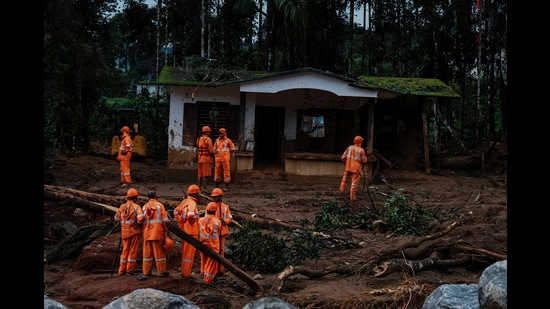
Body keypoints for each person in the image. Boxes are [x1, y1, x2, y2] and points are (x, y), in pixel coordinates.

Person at [113, 188, 144, 276]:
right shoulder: (136, 207)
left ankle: (121, 270)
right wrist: (137, 223)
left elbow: (116, 218)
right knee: (132, 251)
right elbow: (141, 218)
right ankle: (129, 270)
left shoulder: (122, 207)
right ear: (135, 198)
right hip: (134, 232)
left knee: (125, 251)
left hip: (125, 233)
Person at [140, 190, 170, 278]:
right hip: (157, 233)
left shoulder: (144, 207)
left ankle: (146, 272)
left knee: (147, 255)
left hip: (147, 233)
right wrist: (168, 232)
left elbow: (141, 220)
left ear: (148, 197)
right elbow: (165, 221)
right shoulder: (160, 206)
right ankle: (162, 271)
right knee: (159, 254)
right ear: (156, 196)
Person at [173, 184, 201, 278]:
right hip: (191, 232)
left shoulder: (184, 202)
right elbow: (190, 215)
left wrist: (181, 222)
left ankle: (185, 273)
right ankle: (187, 274)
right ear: (196, 194)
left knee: (185, 254)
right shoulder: (192, 203)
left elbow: (176, 212)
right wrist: (191, 222)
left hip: (185, 231)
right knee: (189, 255)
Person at [206, 188, 232, 276]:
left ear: (220, 197)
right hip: (214, 233)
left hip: (222, 232)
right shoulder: (210, 206)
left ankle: (220, 270)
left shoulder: (225, 207)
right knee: (214, 251)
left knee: (221, 251)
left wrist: (224, 221)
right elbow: (208, 218)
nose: (214, 199)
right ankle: (213, 270)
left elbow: (229, 218)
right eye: (213, 197)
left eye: (215, 197)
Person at [198, 202, 222, 284]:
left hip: (203, 244)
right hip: (213, 246)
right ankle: (208, 280)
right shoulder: (217, 222)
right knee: (211, 264)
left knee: (204, 261)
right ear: (215, 211)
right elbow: (218, 233)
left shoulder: (200, 220)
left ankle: (205, 275)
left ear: (206, 210)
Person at [339, 135, 368, 202]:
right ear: (360, 142)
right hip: (356, 169)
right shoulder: (361, 150)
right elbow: (364, 161)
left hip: (348, 167)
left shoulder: (349, 147)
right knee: (354, 183)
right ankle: (353, 198)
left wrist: (346, 162)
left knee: (344, 179)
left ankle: (341, 191)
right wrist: (366, 159)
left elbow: (343, 157)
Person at [196, 126, 216, 193]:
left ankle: (198, 189)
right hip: (206, 159)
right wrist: (216, 152)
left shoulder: (198, 139)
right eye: (209, 132)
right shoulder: (208, 140)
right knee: (205, 175)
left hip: (200, 158)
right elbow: (211, 151)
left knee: (200, 175)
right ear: (207, 132)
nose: (210, 133)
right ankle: (204, 189)